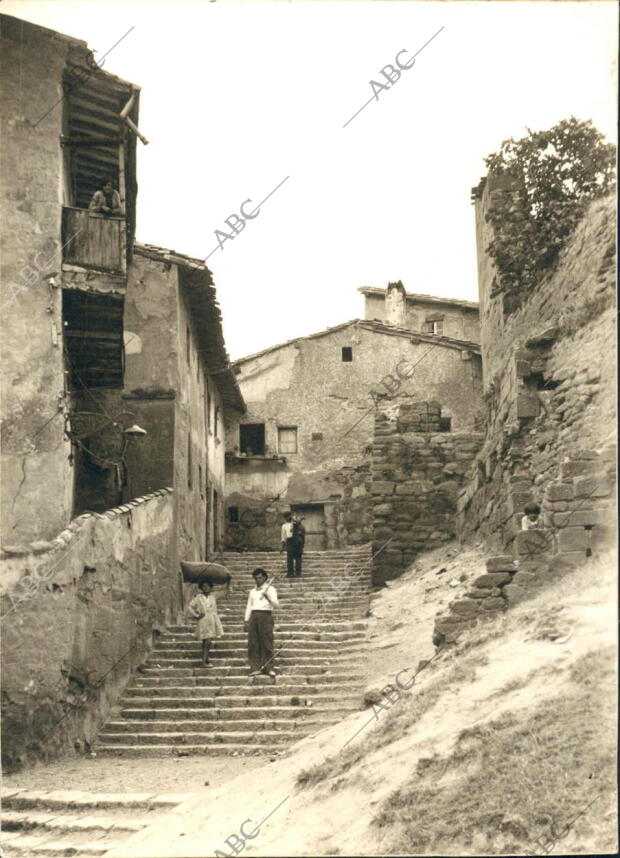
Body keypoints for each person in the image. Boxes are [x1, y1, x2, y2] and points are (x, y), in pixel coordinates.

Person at [244, 568, 278, 677]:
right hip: (254, 616)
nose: (257, 580)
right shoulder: (252, 591)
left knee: (267, 642)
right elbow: (249, 606)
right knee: (253, 643)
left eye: (260, 578)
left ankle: (269, 668)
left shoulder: (271, 589)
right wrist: (246, 619)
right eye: (255, 578)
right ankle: (255, 668)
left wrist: (268, 597)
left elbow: (276, 605)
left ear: (264, 578)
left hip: (266, 615)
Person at [188, 580, 229, 666]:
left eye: (207, 586)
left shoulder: (213, 596)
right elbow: (190, 607)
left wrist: (228, 581)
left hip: (212, 619)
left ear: (210, 587)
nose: (205, 588)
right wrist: (197, 615)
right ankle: (204, 662)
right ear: (201, 588)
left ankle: (205, 660)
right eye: (203, 586)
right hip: (203, 620)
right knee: (207, 641)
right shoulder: (198, 597)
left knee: (207, 641)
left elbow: (225, 591)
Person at [280, 511, 304, 578]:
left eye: (289, 516)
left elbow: (299, 523)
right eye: (286, 517)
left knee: (298, 558)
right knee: (289, 558)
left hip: (297, 541)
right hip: (289, 541)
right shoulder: (284, 526)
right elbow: (283, 536)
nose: (288, 518)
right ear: (284, 518)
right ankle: (290, 573)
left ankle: (298, 573)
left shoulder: (296, 523)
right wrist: (282, 546)